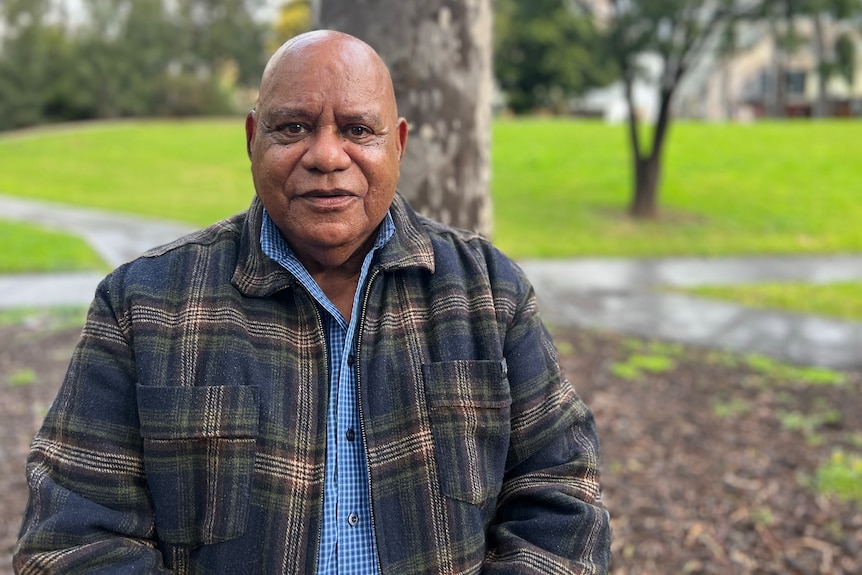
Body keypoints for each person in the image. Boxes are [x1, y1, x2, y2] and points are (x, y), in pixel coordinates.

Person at [14, 30, 611, 574]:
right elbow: (70, 541)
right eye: (293, 127)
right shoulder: (143, 306)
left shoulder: (489, 292)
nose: (327, 156)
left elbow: (563, 496)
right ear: (253, 139)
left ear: (397, 144)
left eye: (357, 129)